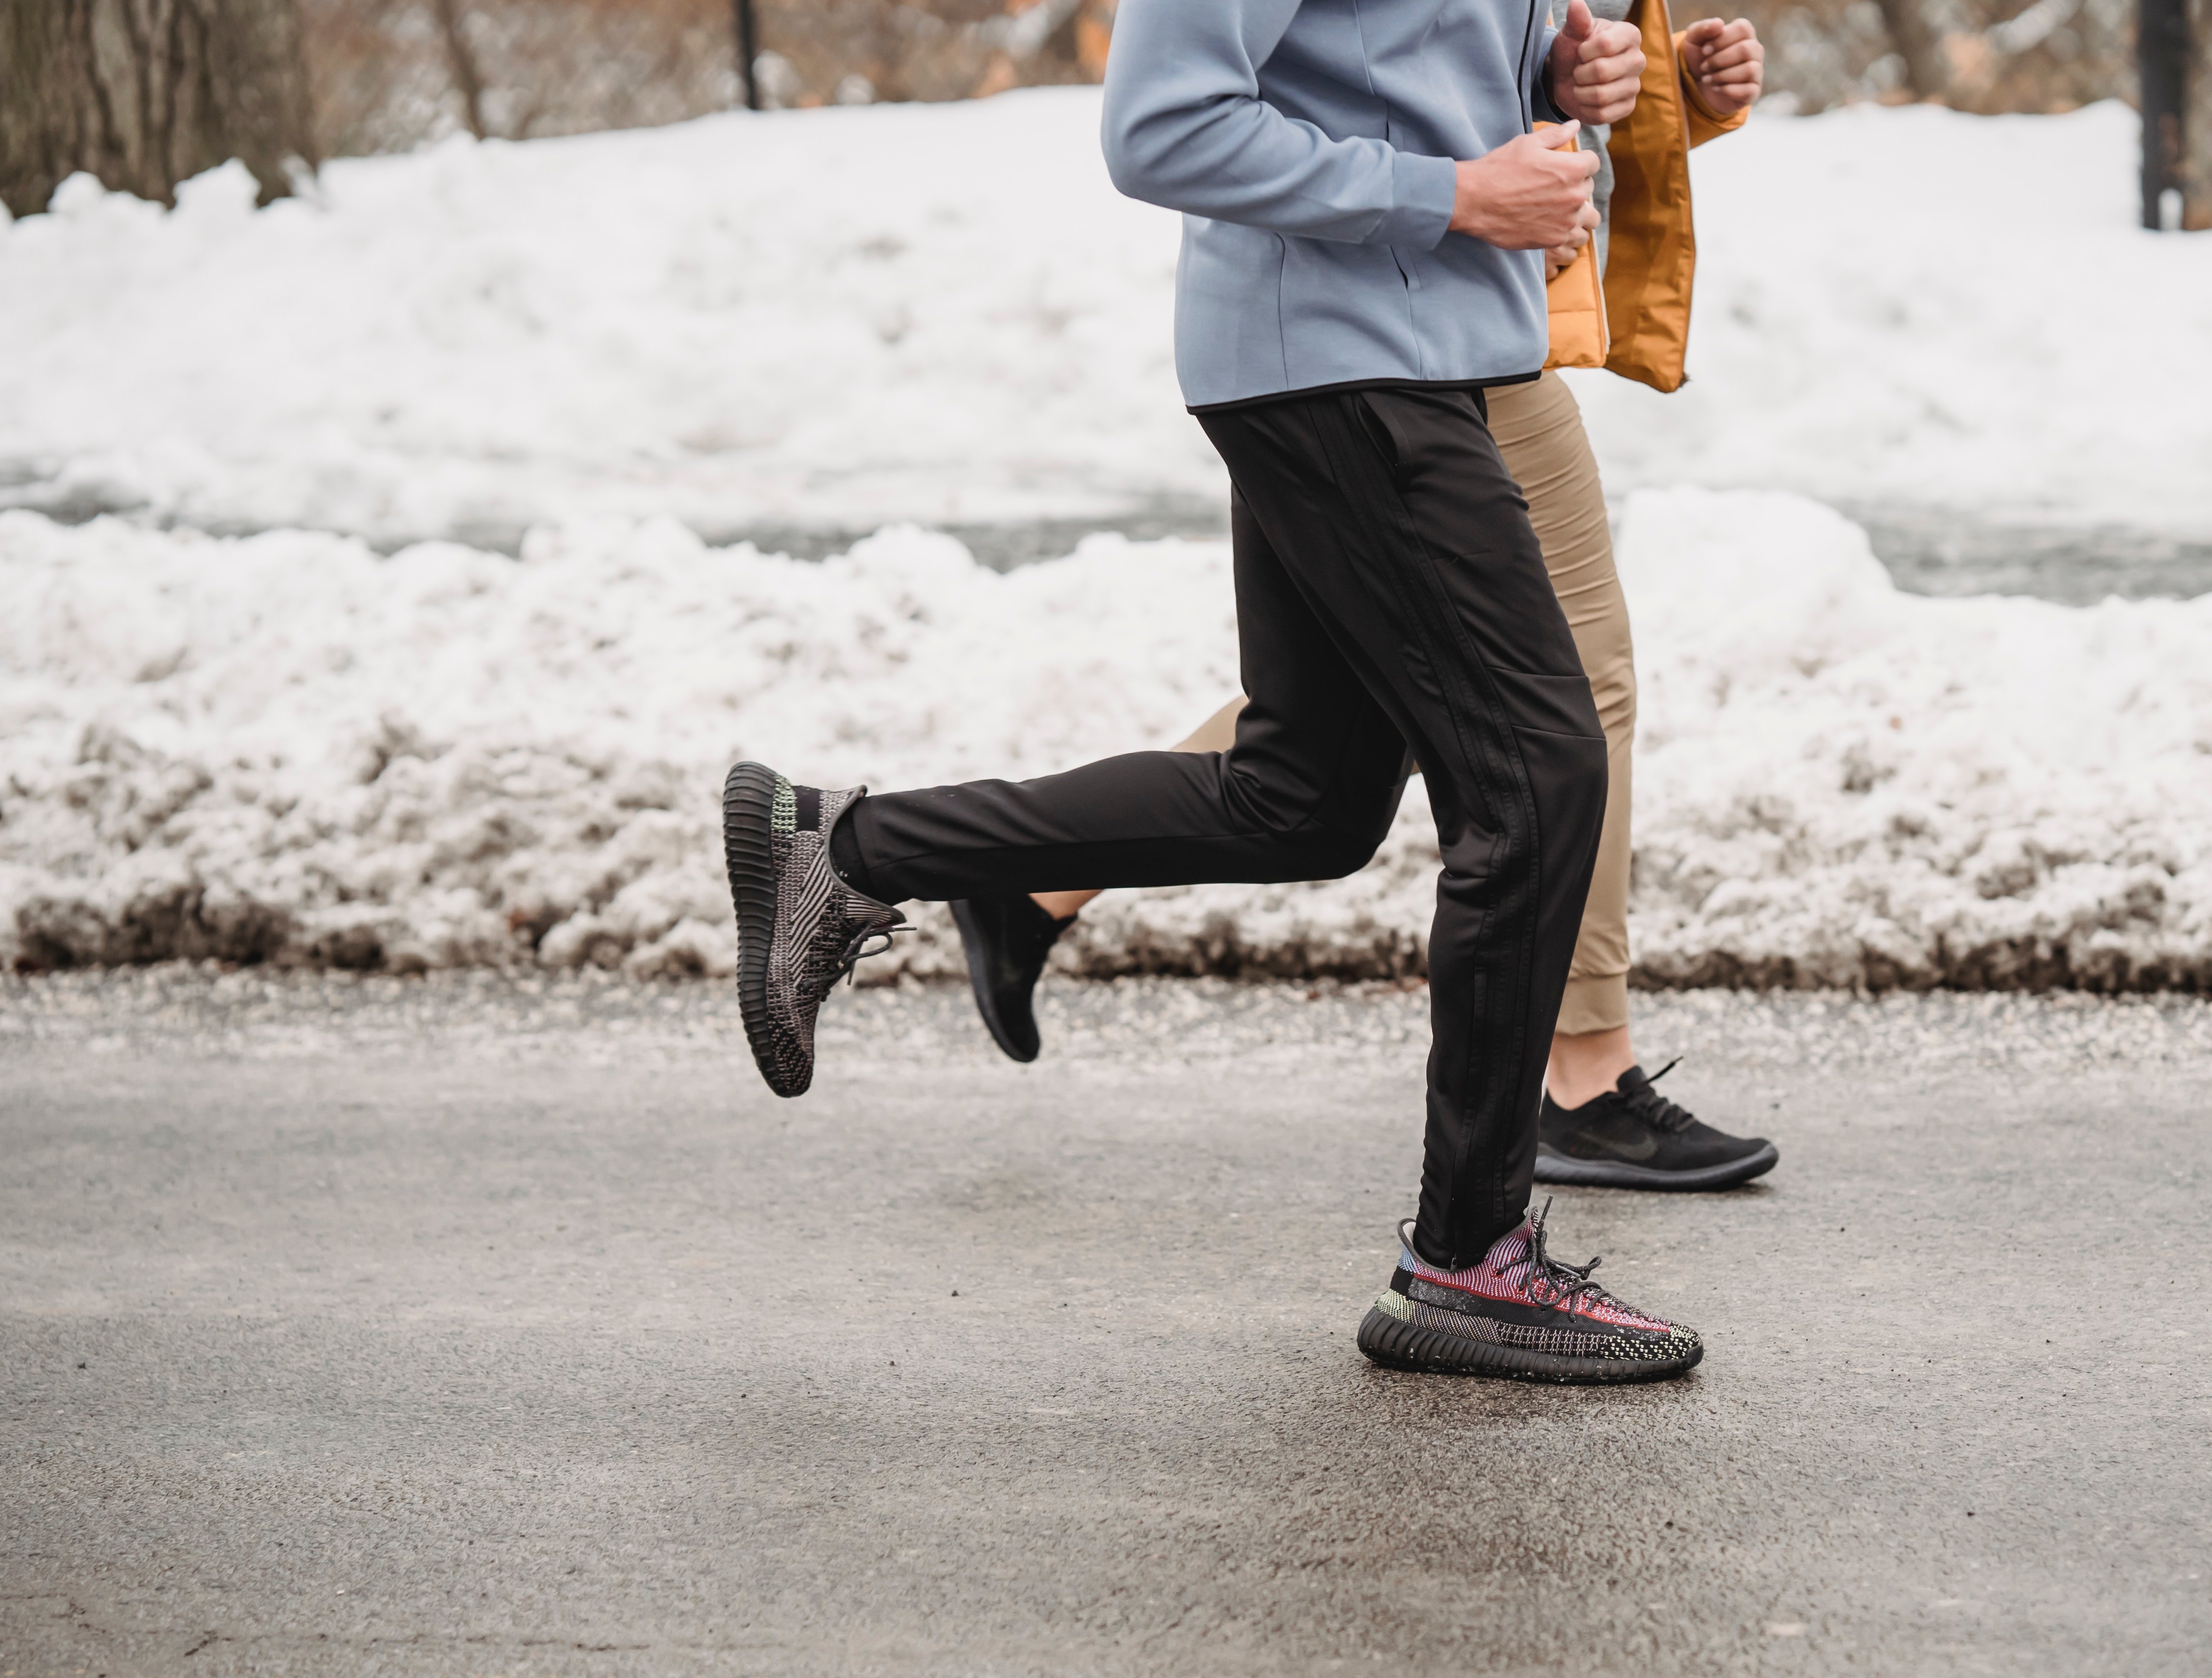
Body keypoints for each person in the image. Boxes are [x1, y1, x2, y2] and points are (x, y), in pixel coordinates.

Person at [724, 0, 1707, 1383]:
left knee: (1301, 799)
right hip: (1345, 361)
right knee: (1539, 779)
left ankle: (848, 845)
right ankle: (1469, 1260)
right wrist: (1456, 191)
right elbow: (1163, 125)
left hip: (1414, 355)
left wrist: (1558, 68)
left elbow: (1389, 59)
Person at [951, 2, 1778, 1197]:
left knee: (1373, 720)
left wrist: (1632, 85)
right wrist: (1459, 192)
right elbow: (1178, 124)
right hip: (1372, 334)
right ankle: (1573, 1089)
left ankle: (1009, 878)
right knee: (1550, 704)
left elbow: (1432, 75)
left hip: (1459, 320)